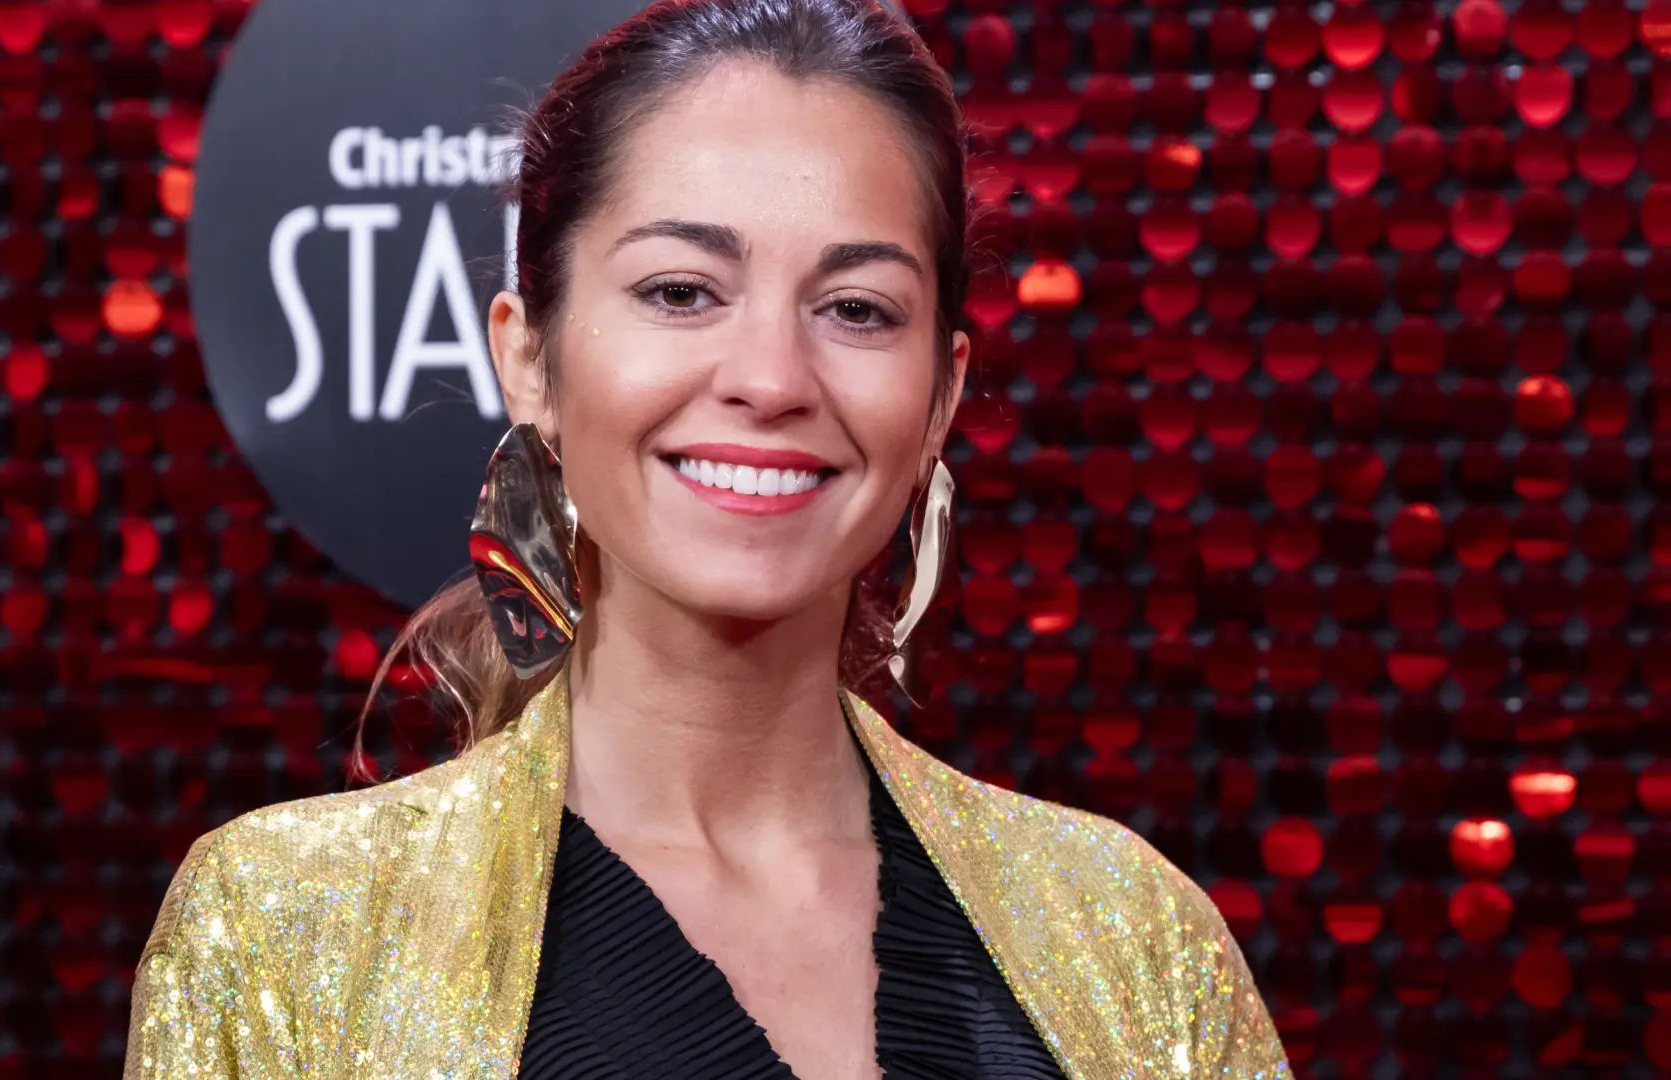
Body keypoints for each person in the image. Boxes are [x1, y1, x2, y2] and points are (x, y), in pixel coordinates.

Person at [125, 2, 1292, 1078]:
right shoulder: (284, 931)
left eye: (856, 310)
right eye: (682, 291)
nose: (772, 379)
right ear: (529, 359)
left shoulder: (1135, 938)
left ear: (941, 394)